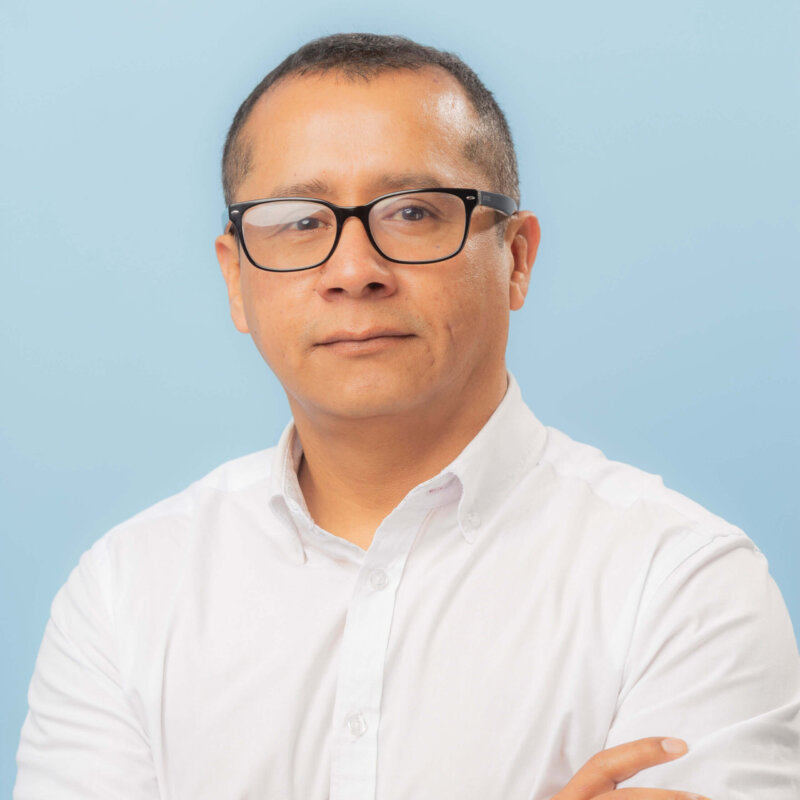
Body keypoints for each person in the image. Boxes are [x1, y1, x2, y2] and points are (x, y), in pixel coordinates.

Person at [14, 32, 800, 800]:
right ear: (235, 278)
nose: (353, 272)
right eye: (298, 221)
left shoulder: (681, 584)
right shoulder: (127, 592)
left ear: (517, 258)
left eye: (414, 213)